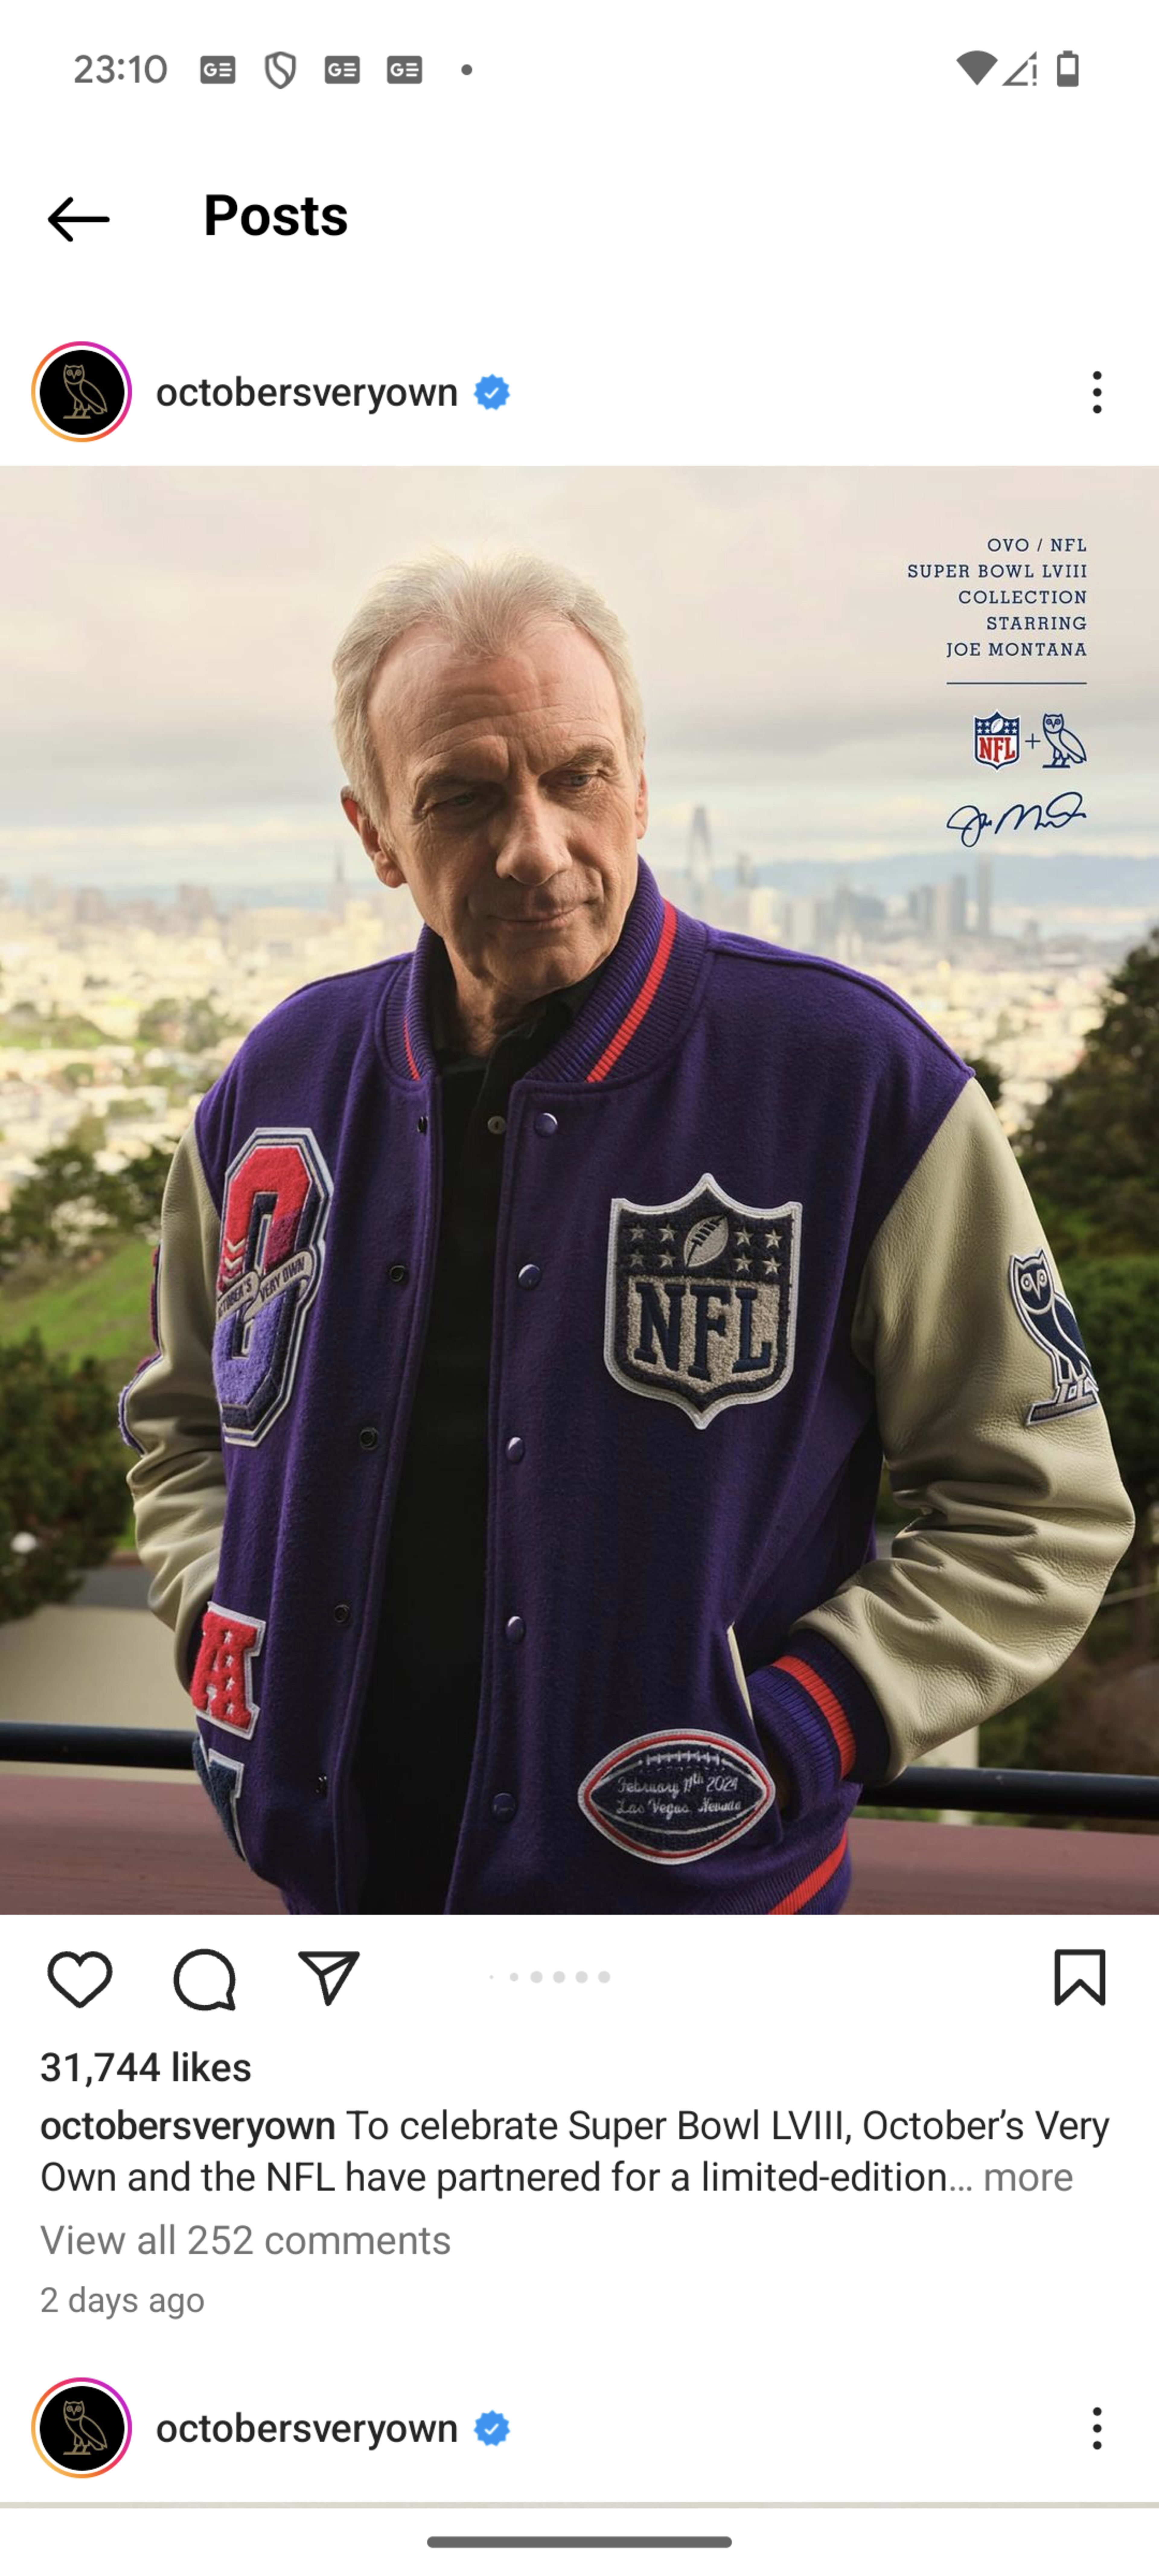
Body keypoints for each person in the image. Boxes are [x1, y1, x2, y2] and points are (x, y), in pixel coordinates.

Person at [119, 552, 1134, 1914]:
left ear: (640, 784)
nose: (536, 847)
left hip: (698, 1924)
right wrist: (222, 1618)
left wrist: (807, 1724)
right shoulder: (278, 1088)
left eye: (578, 776)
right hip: (338, 1894)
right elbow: (184, 1423)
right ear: (374, 836)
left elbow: (1041, 1507)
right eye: (463, 799)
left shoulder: (850, 1081)